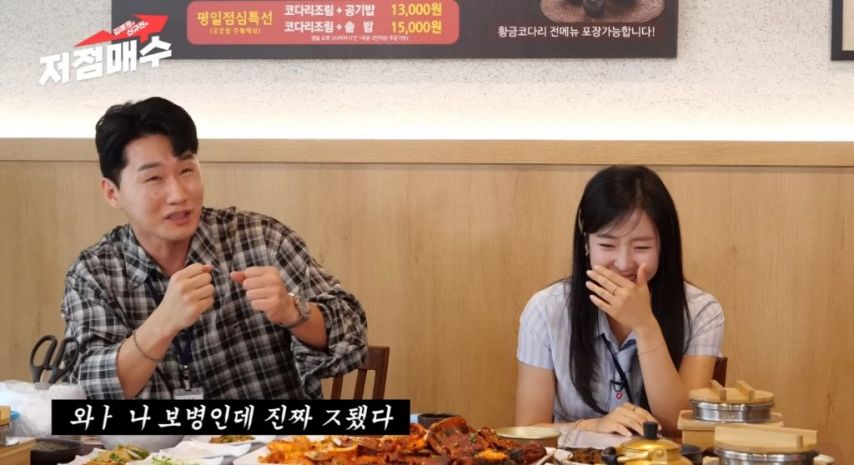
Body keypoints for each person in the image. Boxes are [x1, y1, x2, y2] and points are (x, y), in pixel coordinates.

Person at [61, 97, 368, 400]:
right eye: (154, 178)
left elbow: (352, 336)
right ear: (112, 193)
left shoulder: (261, 239)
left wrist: (293, 311)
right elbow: (86, 390)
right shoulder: (94, 273)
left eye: (186, 170)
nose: (178, 194)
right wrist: (163, 322)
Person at [515, 165, 724, 436]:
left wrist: (645, 325)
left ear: (664, 246)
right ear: (586, 244)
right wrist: (593, 426)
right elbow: (528, 432)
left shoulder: (702, 311)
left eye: (641, 247)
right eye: (607, 245)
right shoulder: (545, 310)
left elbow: (680, 425)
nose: (624, 264)